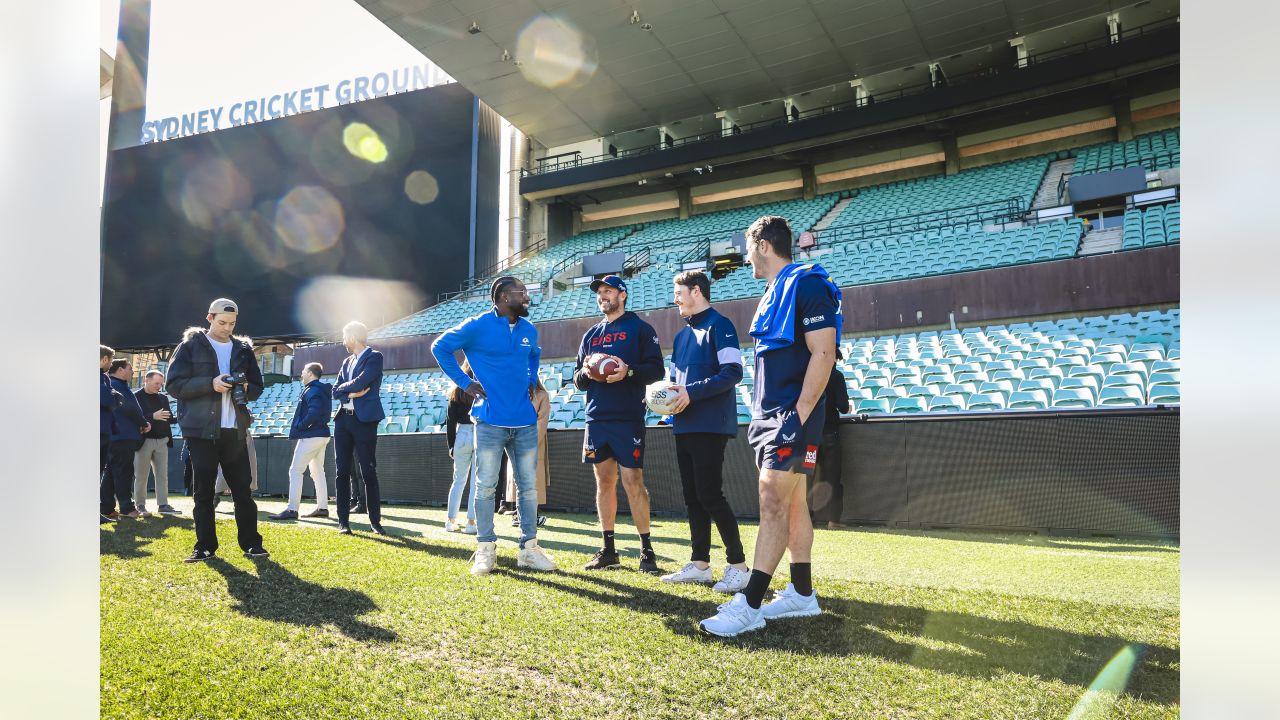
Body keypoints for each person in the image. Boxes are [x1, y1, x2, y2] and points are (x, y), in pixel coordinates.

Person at [700, 216, 841, 637]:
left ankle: (750, 603)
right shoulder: (774, 290)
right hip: (772, 415)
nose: (745, 259)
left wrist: (797, 415)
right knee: (794, 503)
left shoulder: (808, 284)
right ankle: (801, 593)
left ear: (763, 245)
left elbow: (824, 354)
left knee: (771, 502)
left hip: (792, 417)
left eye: (748, 249)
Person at [431, 275, 557, 575]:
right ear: (502, 296)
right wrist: (465, 382)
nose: (527, 297)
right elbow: (440, 347)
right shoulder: (476, 325)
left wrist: (530, 381)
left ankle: (529, 549)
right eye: (521, 292)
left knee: (527, 489)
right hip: (489, 422)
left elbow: (534, 356)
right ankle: (485, 548)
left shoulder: (528, 329)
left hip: (525, 422)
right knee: (486, 487)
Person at [659, 270, 750, 592]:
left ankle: (739, 567)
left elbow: (732, 372)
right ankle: (700, 565)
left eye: (679, 293)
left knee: (710, 495)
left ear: (696, 291)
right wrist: (664, 401)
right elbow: (676, 385)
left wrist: (691, 393)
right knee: (693, 497)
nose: (676, 299)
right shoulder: (682, 335)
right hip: (683, 425)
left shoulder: (720, 325)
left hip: (711, 425)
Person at [573, 274, 666, 573]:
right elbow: (577, 380)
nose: (603, 296)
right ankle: (609, 550)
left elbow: (656, 370)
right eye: (600, 292)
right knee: (604, 482)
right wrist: (588, 373)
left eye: (608, 291)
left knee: (633, 481)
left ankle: (646, 551)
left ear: (622, 295)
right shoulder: (590, 335)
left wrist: (627, 372)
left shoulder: (640, 329)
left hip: (627, 416)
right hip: (597, 416)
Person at [165, 298, 269, 563]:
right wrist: (210, 383)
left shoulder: (243, 349)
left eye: (232, 324)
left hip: (234, 430)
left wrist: (246, 388)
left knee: (243, 491)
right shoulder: (189, 346)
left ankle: (251, 544)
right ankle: (205, 546)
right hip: (200, 432)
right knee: (203, 492)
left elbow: (258, 386)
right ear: (209, 318)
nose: (227, 328)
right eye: (222, 322)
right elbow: (174, 386)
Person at [331, 321, 386, 535]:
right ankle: (343, 522)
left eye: (345, 336)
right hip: (343, 420)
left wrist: (348, 389)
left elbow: (362, 382)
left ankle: (375, 522)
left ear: (353, 337)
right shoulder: (346, 362)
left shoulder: (375, 357)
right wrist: (350, 393)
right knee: (342, 472)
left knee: (368, 471)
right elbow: (335, 390)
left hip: (364, 421)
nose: (343, 340)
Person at [270, 362, 333, 521]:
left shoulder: (313, 390)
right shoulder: (319, 389)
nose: (301, 374)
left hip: (311, 435)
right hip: (321, 435)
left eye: (304, 371)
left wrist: (300, 425)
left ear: (311, 374)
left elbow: (314, 412)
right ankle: (322, 507)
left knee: (295, 470)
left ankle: (292, 509)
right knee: (318, 472)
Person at [102, 359, 150, 519]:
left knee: (111, 473)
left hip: (116, 435)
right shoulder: (116, 385)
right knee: (124, 471)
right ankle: (127, 508)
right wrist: (144, 423)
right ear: (120, 370)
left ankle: (107, 508)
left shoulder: (112, 385)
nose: (133, 372)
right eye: (130, 369)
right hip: (122, 435)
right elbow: (130, 408)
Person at [811, 356, 851, 530]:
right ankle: (833, 521)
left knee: (807, 478)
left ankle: (807, 519)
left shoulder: (808, 375)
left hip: (810, 438)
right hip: (830, 436)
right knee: (833, 478)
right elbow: (843, 406)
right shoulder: (836, 376)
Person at [133, 369, 179, 515]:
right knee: (141, 475)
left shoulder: (163, 398)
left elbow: (169, 418)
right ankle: (140, 505)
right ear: (146, 380)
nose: (159, 386)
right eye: (156, 383)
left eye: (161, 384)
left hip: (162, 440)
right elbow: (134, 418)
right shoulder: (136, 397)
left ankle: (163, 505)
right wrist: (153, 416)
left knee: (162, 475)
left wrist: (184, 415)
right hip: (144, 441)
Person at [508, 378, 550, 528]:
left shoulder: (542, 396)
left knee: (532, 479)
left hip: (533, 443)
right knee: (518, 479)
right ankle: (519, 515)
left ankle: (532, 516)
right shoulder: (514, 394)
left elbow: (542, 421)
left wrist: (529, 443)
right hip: (514, 441)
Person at [444, 359, 479, 534]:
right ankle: (471, 523)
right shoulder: (482, 385)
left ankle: (451, 521)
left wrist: (451, 445)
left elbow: (450, 422)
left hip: (462, 435)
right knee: (475, 482)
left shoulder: (456, 390)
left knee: (458, 480)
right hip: (480, 432)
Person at [100, 345, 124, 523]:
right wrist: (113, 396)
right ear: (104, 359)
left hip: (103, 431)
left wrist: (113, 396)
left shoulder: (103, 378)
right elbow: (109, 398)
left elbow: (116, 398)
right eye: (110, 360)